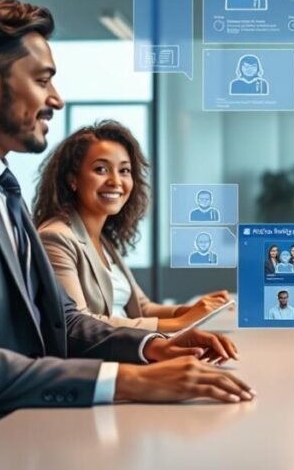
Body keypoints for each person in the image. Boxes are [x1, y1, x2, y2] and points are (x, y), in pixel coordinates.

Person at [0, 0, 252, 465]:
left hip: (16, 433)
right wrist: (129, 381)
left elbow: (65, 321)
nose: (56, 99)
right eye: (42, 81)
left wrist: (155, 347)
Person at [34, 120, 233, 334]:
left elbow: (143, 308)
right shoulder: (56, 237)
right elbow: (78, 322)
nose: (115, 181)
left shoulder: (104, 240)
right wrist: (177, 324)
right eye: (101, 169)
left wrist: (196, 310)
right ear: (73, 179)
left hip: (130, 348)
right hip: (103, 360)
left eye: (124, 170)